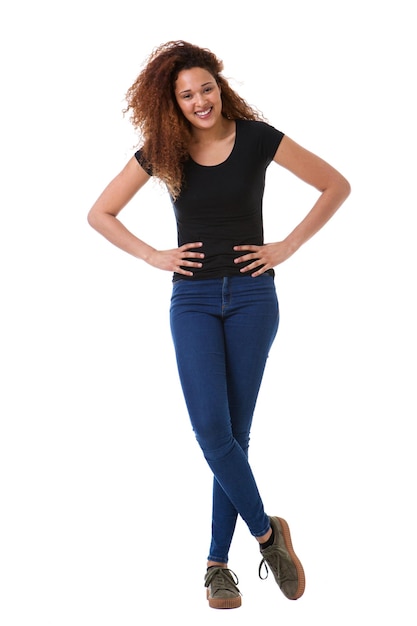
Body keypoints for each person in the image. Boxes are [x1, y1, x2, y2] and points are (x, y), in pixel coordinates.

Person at [87, 40, 350, 610]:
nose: (200, 100)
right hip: (194, 301)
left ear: (219, 86)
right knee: (213, 432)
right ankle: (266, 534)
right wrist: (155, 256)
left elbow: (336, 185)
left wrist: (287, 246)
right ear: (171, 103)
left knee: (234, 436)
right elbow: (99, 213)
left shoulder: (257, 138)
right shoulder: (163, 151)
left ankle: (216, 566)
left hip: (255, 297)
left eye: (205, 88)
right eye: (186, 95)